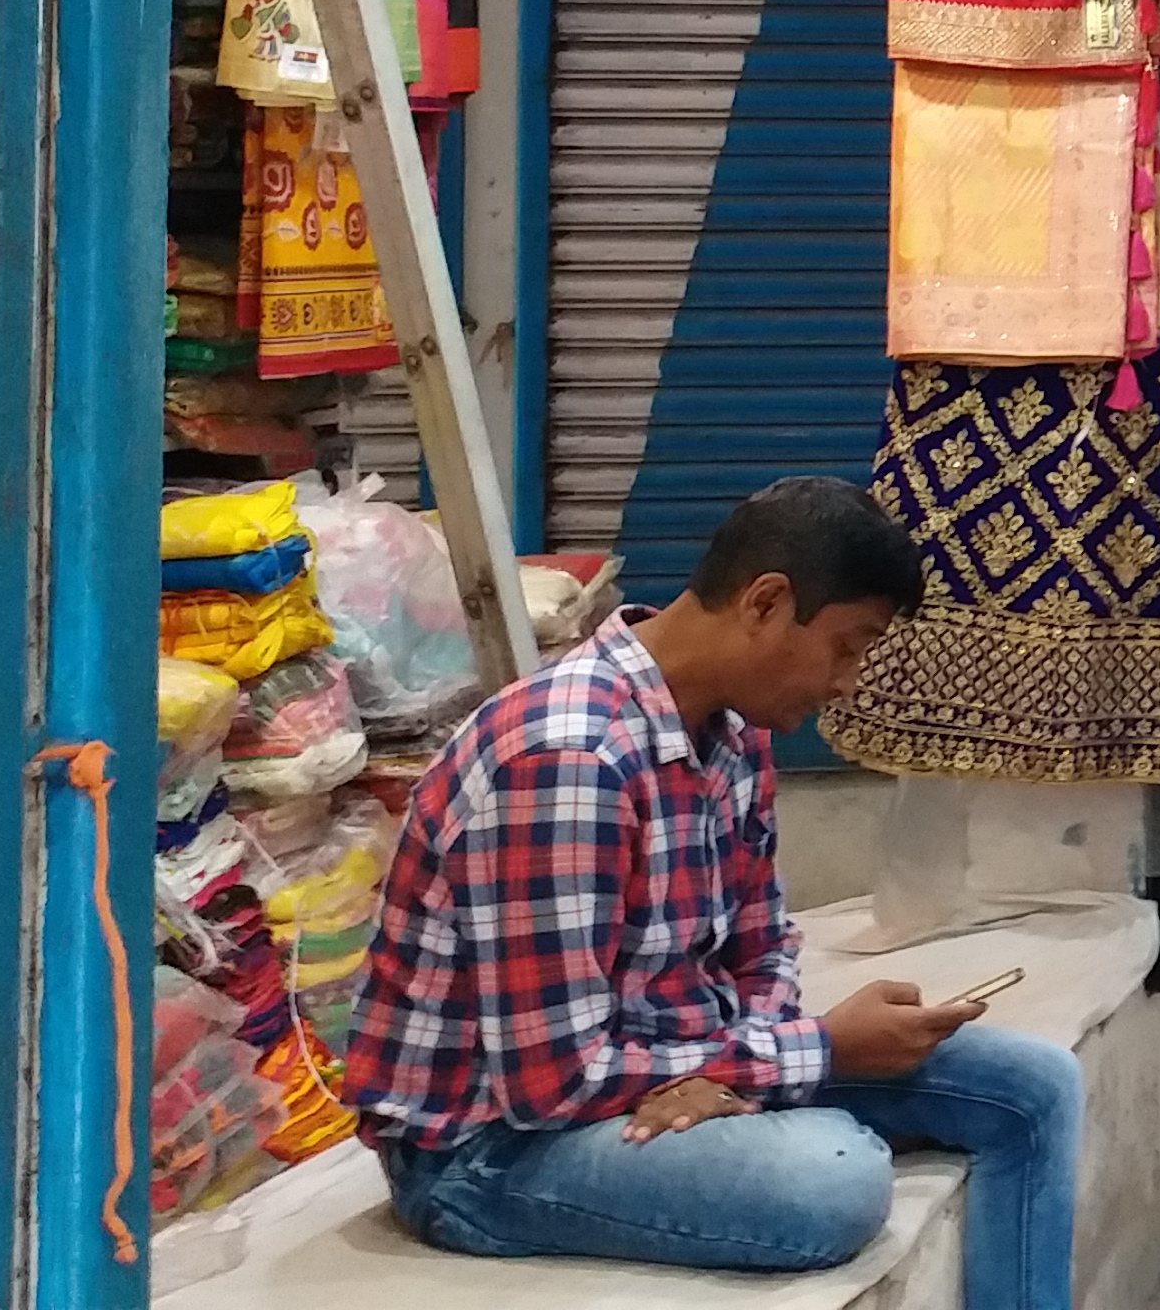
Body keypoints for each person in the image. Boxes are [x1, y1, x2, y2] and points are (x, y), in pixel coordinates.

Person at [340, 478, 1084, 1310]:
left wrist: (746, 1068)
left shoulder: (732, 734)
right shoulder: (569, 760)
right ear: (765, 604)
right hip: (489, 1147)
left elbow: (762, 943)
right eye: (849, 645)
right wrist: (820, 1054)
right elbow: (549, 1083)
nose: (850, 681)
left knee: (1033, 1087)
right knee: (830, 1179)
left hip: (673, 1062)